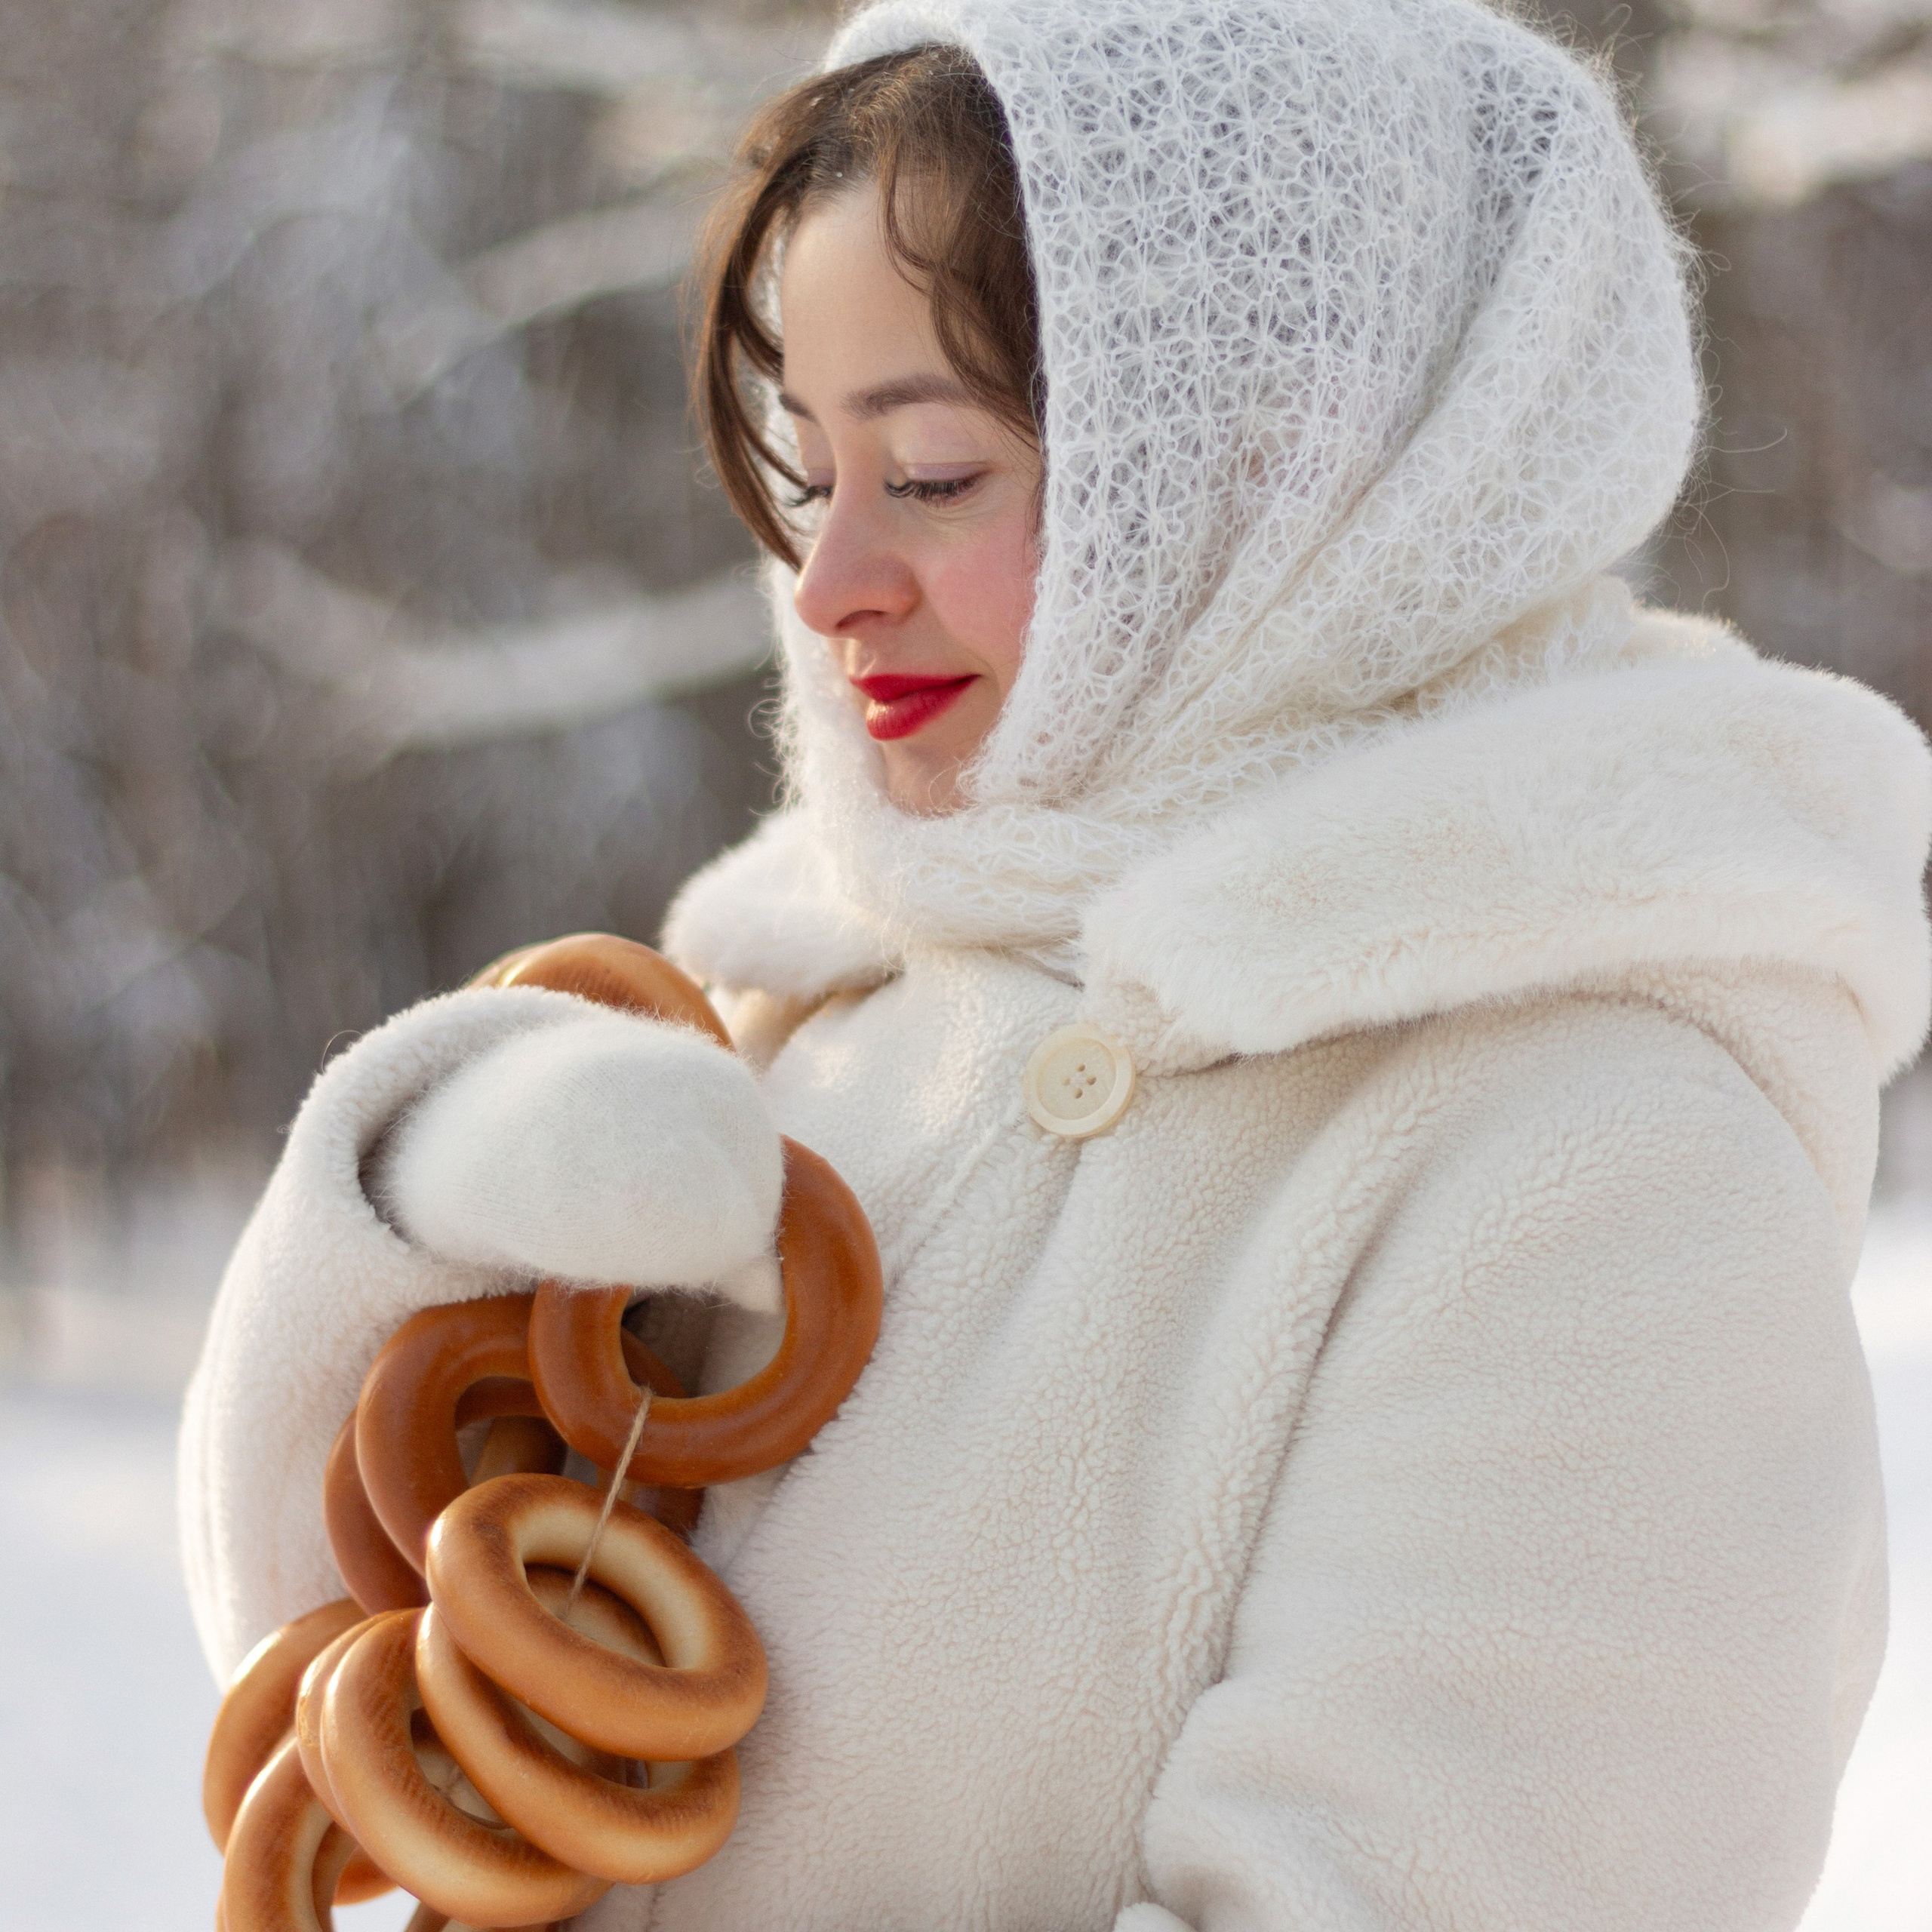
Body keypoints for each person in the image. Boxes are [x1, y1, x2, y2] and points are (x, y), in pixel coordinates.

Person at [179, 1, 1932, 1926]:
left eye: (929, 471)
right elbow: (344, 1703)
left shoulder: (1605, 1151)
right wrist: (412, 1200)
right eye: (806, 468)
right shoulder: (808, 976)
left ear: (1276, 459)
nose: (830, 576)